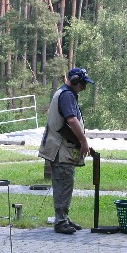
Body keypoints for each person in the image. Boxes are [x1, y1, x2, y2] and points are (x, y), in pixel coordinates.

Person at [38, 67, 94, 235]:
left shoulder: (64, 93)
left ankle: (63, 218)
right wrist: (83, 141)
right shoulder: (67, 95)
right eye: (82, 83)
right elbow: (72, 120)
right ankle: (61, 221)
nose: (84, 87)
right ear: (75, 81)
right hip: (60, 149)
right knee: (63, 184)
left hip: (61, 148)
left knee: (65, 184)